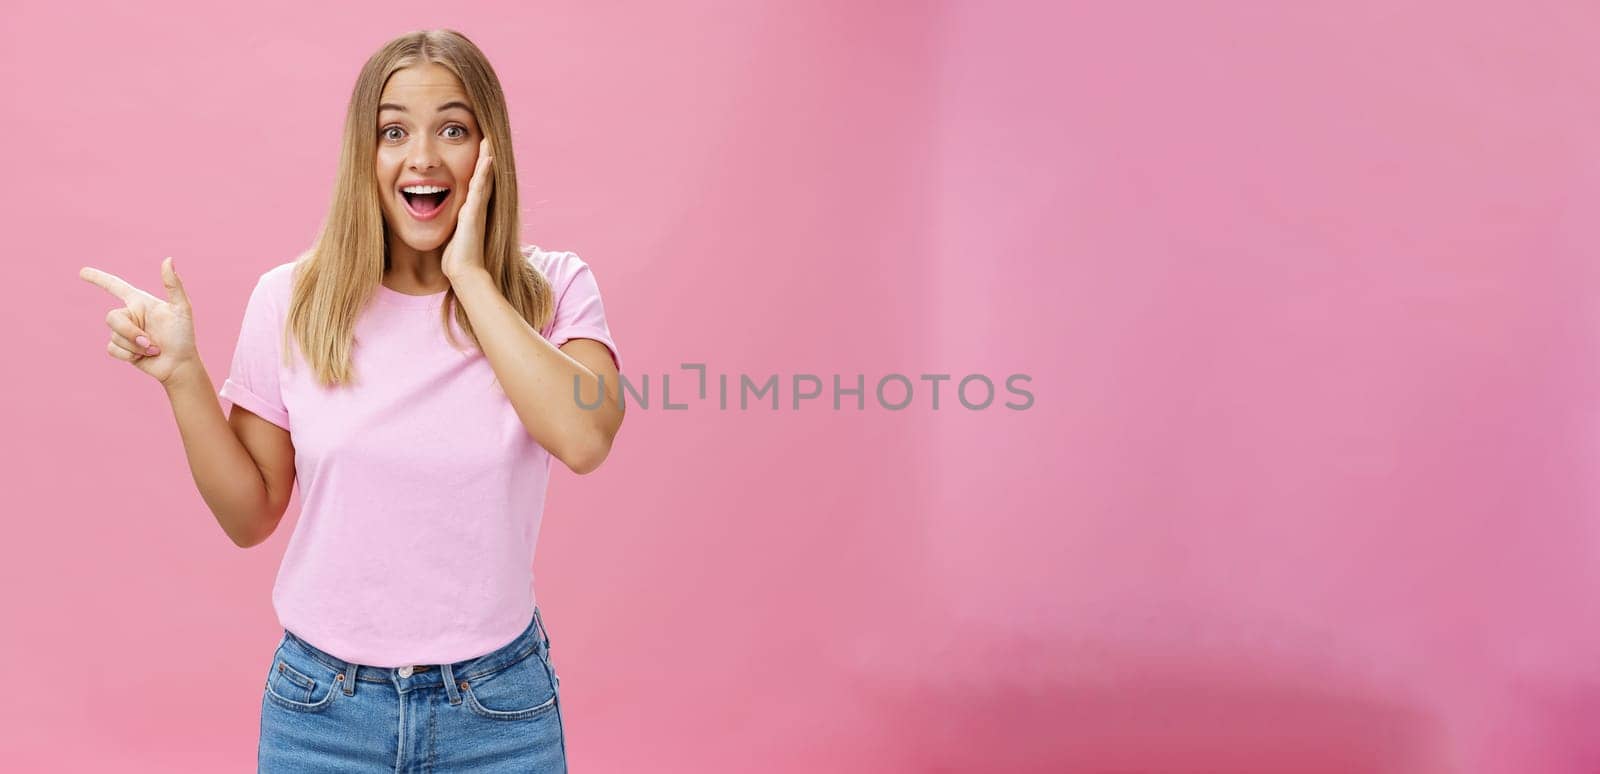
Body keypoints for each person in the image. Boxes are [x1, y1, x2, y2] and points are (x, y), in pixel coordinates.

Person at [78, 28, 623, 773]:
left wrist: (469, 274)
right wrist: (183, 377)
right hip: (322, 713)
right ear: (362, 155)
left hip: (500, 713)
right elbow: (251, 515)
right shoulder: (293, 299)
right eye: (393, 130)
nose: (422, 157)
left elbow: (586, 436)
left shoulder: (554, 288)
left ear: (489, 152)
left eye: (453, 130)